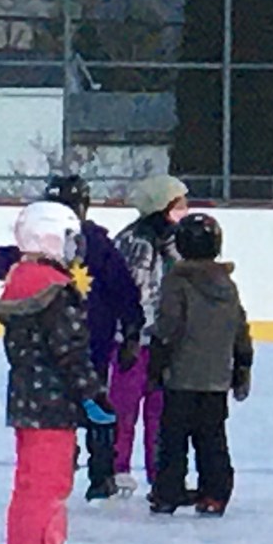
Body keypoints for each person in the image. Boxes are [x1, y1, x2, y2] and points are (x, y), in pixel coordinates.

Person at [0, 174, 142, 501]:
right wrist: (132, 327)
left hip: (76, 344)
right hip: (88, 342)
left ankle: (84, 467)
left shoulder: (87, 244)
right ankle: (95, 471)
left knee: (73, 406)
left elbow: (121, 287)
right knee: (92, 405)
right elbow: (124, 289)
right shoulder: (92, 243)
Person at [0, 201, 112, 544]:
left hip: (26, 401)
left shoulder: (21, 280)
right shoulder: (56, 291)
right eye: (69, 238)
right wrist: (94, 395)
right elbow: (70, 351)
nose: (75, 247)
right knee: (48, 488)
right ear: (49, 239)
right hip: (54, 405)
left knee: (28, 487)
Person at [146, 213, 253, 517]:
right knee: (212, 437)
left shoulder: (176, 282)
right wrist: (242, 366)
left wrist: (156, 364)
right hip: (216, 377)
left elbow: (169, 327)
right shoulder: (227, 285)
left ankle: (168, 491)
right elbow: (240, 328)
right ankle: (215, 493)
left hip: (181, 375)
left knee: (173, 438)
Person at [113, 175, 189, 495]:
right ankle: (117, 468)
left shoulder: (173, 241)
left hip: (164, 340)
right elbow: (133, 293)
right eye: (179, 204)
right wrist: (134, 334)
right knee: (125, 407)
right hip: (134, 341)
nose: (185, 210)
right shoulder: (136, 242)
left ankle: (160, 472)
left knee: (161, 410)